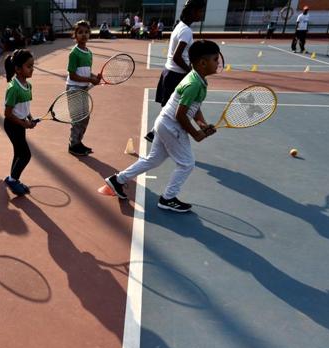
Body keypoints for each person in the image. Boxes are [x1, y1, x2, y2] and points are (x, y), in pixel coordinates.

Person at [105, 40, 219, 212]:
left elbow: (194, 107)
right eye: (215, 59)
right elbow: (180, 114)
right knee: (187, 164)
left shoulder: (198, 79)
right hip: (172, 126)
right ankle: (168, 198)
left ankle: (118, 180)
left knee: (153, 159)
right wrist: (196, 134)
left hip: (164, 123)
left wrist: (201, 124)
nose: (218, 63)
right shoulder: (194, 83)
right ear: (203, 63)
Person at [145, 0, 206, 142]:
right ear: (192, 12)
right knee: (178, 109)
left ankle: (154, 133)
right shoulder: (186, 31)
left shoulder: (180, 26)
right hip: (175, 75)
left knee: (168, 107)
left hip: (170, 72)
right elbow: (177, 57)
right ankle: (160, 135)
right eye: (199, 11)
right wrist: (191, 71)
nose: (201, 14)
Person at [3, 49, 37, 196]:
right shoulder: (13, 88)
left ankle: (13, 179)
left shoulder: (28, 86)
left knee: (19, 153)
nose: (32, 69)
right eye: (28, 66)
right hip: (12, 125)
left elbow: (25, 106)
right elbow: (8, 114)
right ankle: (12, 179)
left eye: (32, 65)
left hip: (20, 123)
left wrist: (29, 117)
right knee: (25, 155)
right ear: (17, 69)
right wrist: (24, 124)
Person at [65, 20, 101, 156]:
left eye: (86, 32)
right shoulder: (74, 53)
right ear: (75, 35)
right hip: (74, 88)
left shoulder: (89, 53)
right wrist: (90, 79)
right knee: (77, 118)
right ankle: (73, 145)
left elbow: (86, 72)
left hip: (84, 89)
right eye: (80, 32)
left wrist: (94, 78)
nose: (84, 35)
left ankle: (78, 142)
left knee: (85, 118)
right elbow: (73, 76)